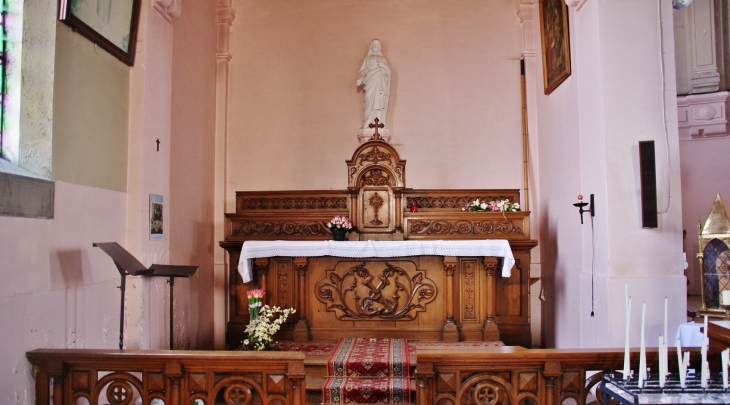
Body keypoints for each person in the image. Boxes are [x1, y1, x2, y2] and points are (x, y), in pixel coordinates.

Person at [356, 39, 391, 129]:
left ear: (379, 47)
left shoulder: (382, 59)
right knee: (369, 100)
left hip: (379, 84)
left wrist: (384, 67)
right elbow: (363, 71)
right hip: (370, 82)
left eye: (377, 45)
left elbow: (387, 73)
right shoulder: (367, 58)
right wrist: (361, 78)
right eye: (374, 45)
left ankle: (379, 122)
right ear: (371, 47)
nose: (375, 47)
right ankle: (368, 123)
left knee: (379, 102)